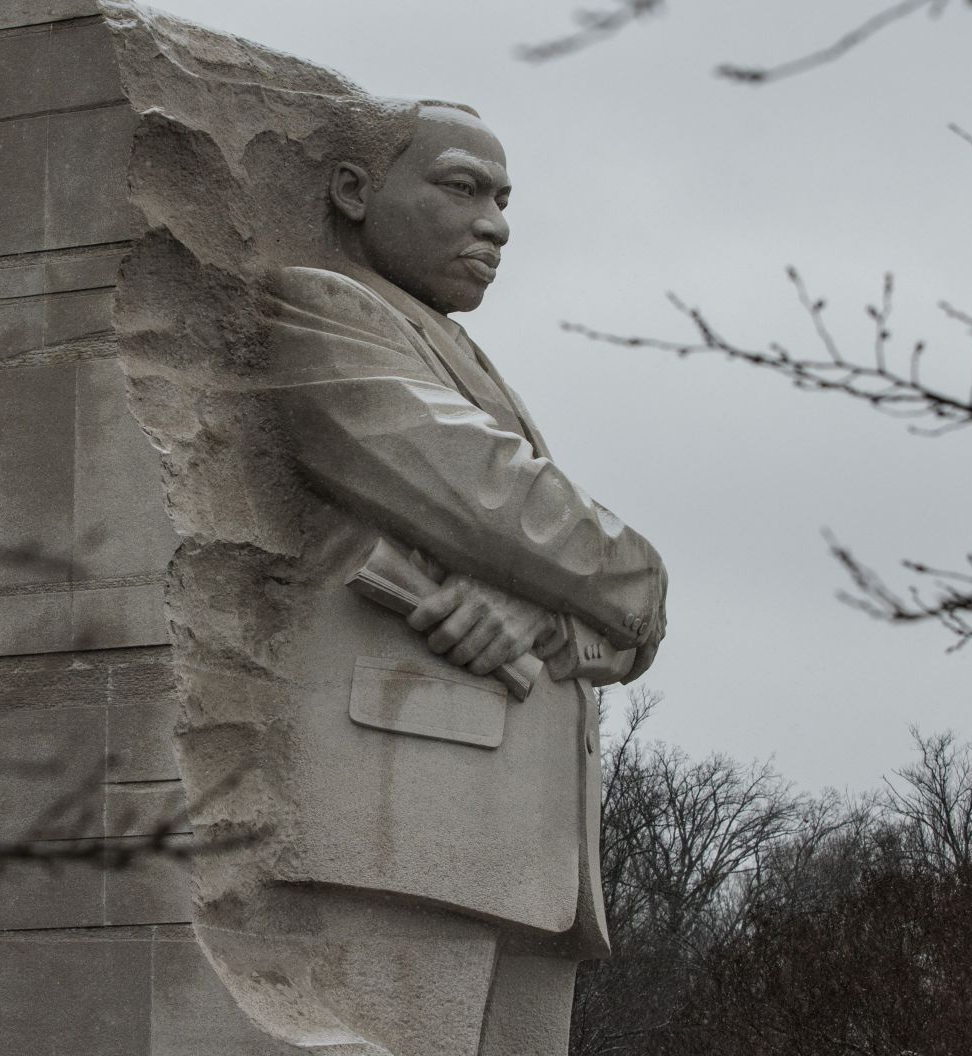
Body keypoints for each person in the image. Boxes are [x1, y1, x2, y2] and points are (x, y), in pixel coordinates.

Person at [189, 100, 669, 1056]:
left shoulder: (455, 350)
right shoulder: (320, 307)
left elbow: (530, 566)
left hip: (525, 851)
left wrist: (539, 612)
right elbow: (488, 497)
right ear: (355, 192)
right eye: (459, 187)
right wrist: (638, 579)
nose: (492, 222)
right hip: (399, 822)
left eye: (502, 199)